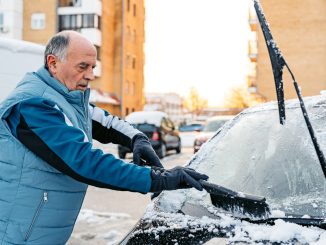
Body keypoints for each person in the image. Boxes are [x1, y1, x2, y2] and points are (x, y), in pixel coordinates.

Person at [0, 30, 208, 244]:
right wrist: (157, 179)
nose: (90, 75)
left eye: (93, 67)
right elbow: (84, 162)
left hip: (37, 232)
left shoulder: (68, 99)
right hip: (16, 236)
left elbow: (107, 122)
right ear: (53, 63)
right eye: (83, 66)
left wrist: (137, 139)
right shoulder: (33, 105)